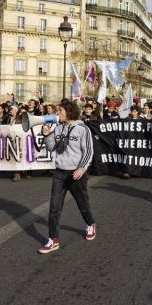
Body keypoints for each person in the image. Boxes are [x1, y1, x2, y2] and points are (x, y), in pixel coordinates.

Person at [38, 101, 96, 254]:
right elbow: (52, 148)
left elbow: (88, 152)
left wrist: (81, 168)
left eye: (60, 110)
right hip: (59, 172)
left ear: (69, 112)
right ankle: (53, 239)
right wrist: (47, 135)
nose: (58, 113)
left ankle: (90, 223)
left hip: (76, 174)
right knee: (54, 208)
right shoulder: (58, 128)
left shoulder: (83, 129)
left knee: (82, 204)